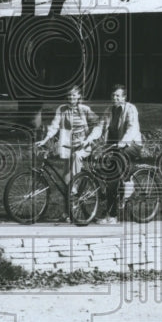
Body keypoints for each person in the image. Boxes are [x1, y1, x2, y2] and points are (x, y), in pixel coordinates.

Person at [89, 84, 143, 224]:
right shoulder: (109, 110)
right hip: (115, 146)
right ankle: (112, 213)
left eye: (118, 95)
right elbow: (99, 127)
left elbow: (132, 128)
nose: (115, 98)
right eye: (113, 95)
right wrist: (89, 139)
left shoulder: (131, 109)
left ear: (124, 97)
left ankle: (127, 184)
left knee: (114, 171)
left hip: (132, 144)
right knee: (108, 176)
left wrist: (123, 142)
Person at [35, 86, 98, 182]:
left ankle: (75, 185)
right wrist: (45, 140)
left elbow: (97, 122)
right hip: (67, 144)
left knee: (76, 156)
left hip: (82, 144)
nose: (71, 97)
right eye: (69, 95)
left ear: (79, 96)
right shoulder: (62, 109)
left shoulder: (85, 109)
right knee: (67, 169)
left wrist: (91, 137)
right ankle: (68, 194)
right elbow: (54, 126)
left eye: (74, 94)